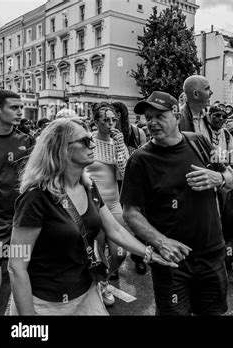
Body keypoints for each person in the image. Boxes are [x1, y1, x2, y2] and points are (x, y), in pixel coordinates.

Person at [7, 117, 176, 315]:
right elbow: (16, 265)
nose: (94, 144)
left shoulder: (88, 187)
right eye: (86, 141)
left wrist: (150, 253)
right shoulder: (35, 197)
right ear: (62, 148)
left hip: (87, 291)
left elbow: (115, 230)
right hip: (46, 303)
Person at [122, 91, 233, 316]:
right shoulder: (140, 160)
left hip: (211, 253)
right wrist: (161, 242)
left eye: (158, 116)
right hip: (171, 261)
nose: (151, 122)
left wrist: (219, 179)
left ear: (175, 114)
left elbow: (229, 177)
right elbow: (130, 212)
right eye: (148, 117)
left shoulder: (199, 142)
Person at [0, 90, 35, 315]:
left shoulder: (26, 140)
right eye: (14, 107)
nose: (20, 112)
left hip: (19, 222)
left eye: (21, 107)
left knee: (12, 273)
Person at [86, 102, 129, 306]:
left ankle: (105, 276)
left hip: (113, 203)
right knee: (99, 248)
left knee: (119, 252)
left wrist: (120, 145)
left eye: (114, 119)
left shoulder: (116, 144)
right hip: (93, 204)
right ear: (96, 122)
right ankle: (101, 285)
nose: (111, 123)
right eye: (106, 120)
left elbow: (124, 172)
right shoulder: (88, 142)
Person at [112, 101, 148, 275]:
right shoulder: (105, 133)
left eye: (117, 113)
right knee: (116, 220)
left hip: (133, 179)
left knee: (137, 216)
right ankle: (114, 260)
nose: (113, 118)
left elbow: (144, 154)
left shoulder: (136, 131)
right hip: (112, 181)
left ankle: (138, 256)